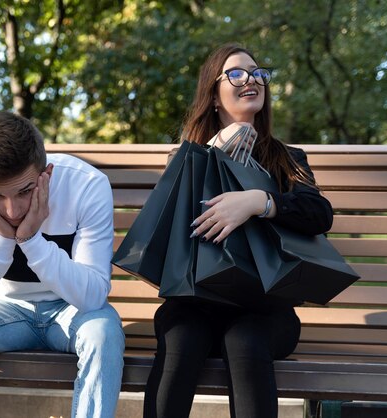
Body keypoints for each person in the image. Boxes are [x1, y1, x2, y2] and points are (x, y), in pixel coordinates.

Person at [143, 44, 334, 418]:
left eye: (258, 72)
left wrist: (259, 202)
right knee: (179, 336)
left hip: (264, 309)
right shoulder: (189, 155)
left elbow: (319, 214)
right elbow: (166, 225)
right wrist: (211, 155)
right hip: (195, 302)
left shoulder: (286, 158)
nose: (251, 80)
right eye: (236, 74)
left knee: (244, 339)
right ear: (213, 96)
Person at [0, 111, 125, 418]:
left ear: (48, 173)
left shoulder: (87, 185)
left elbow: (92, 296)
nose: (12, 210)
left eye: (24, 191)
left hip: (71, 311)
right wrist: (2, 240)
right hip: (3, 310)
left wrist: (32, 241)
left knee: (104, 333)